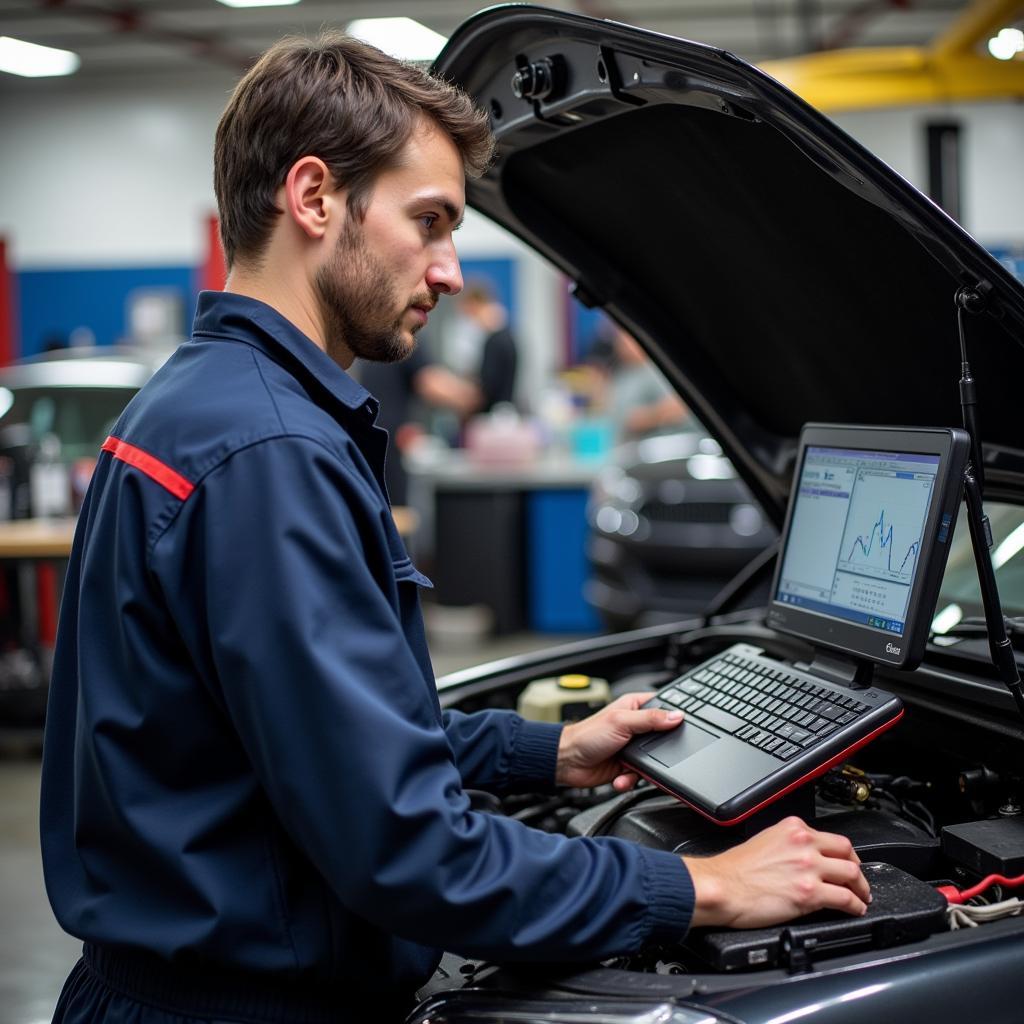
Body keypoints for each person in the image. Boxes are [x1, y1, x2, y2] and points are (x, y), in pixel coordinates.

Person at [40, 32, 871, 1024]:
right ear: (313, 198)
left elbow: (320, 734)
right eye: (428, 222)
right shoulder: (271, 455)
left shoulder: (195, 405)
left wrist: (548, 753)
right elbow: (407, 851)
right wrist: (706, 889)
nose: (445, 271)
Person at [356, 341, 479, 504]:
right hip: (390, 446)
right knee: (395, 510)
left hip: (369, 438)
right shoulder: (404, 339)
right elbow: (432, 384)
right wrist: (474, 397)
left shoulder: (376, 342)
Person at [458, 281, 518, 412]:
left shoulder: (494, 341)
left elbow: (489, 386)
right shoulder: (506, 335)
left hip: (493, 416)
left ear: (474, 304)